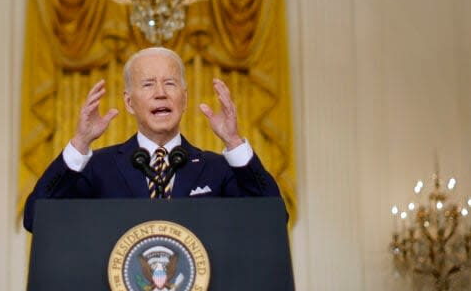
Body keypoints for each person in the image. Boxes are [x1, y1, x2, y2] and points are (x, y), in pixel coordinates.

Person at [22, 46, 282, 232]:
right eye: (147, 84)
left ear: (185, 98)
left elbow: (274, 218)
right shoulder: (99, 168)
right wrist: (80, 143)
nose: (160, 93)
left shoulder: (216, 169)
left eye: (169, 83)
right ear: (129, 102)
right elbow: (36, 217)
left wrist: (234, 141)